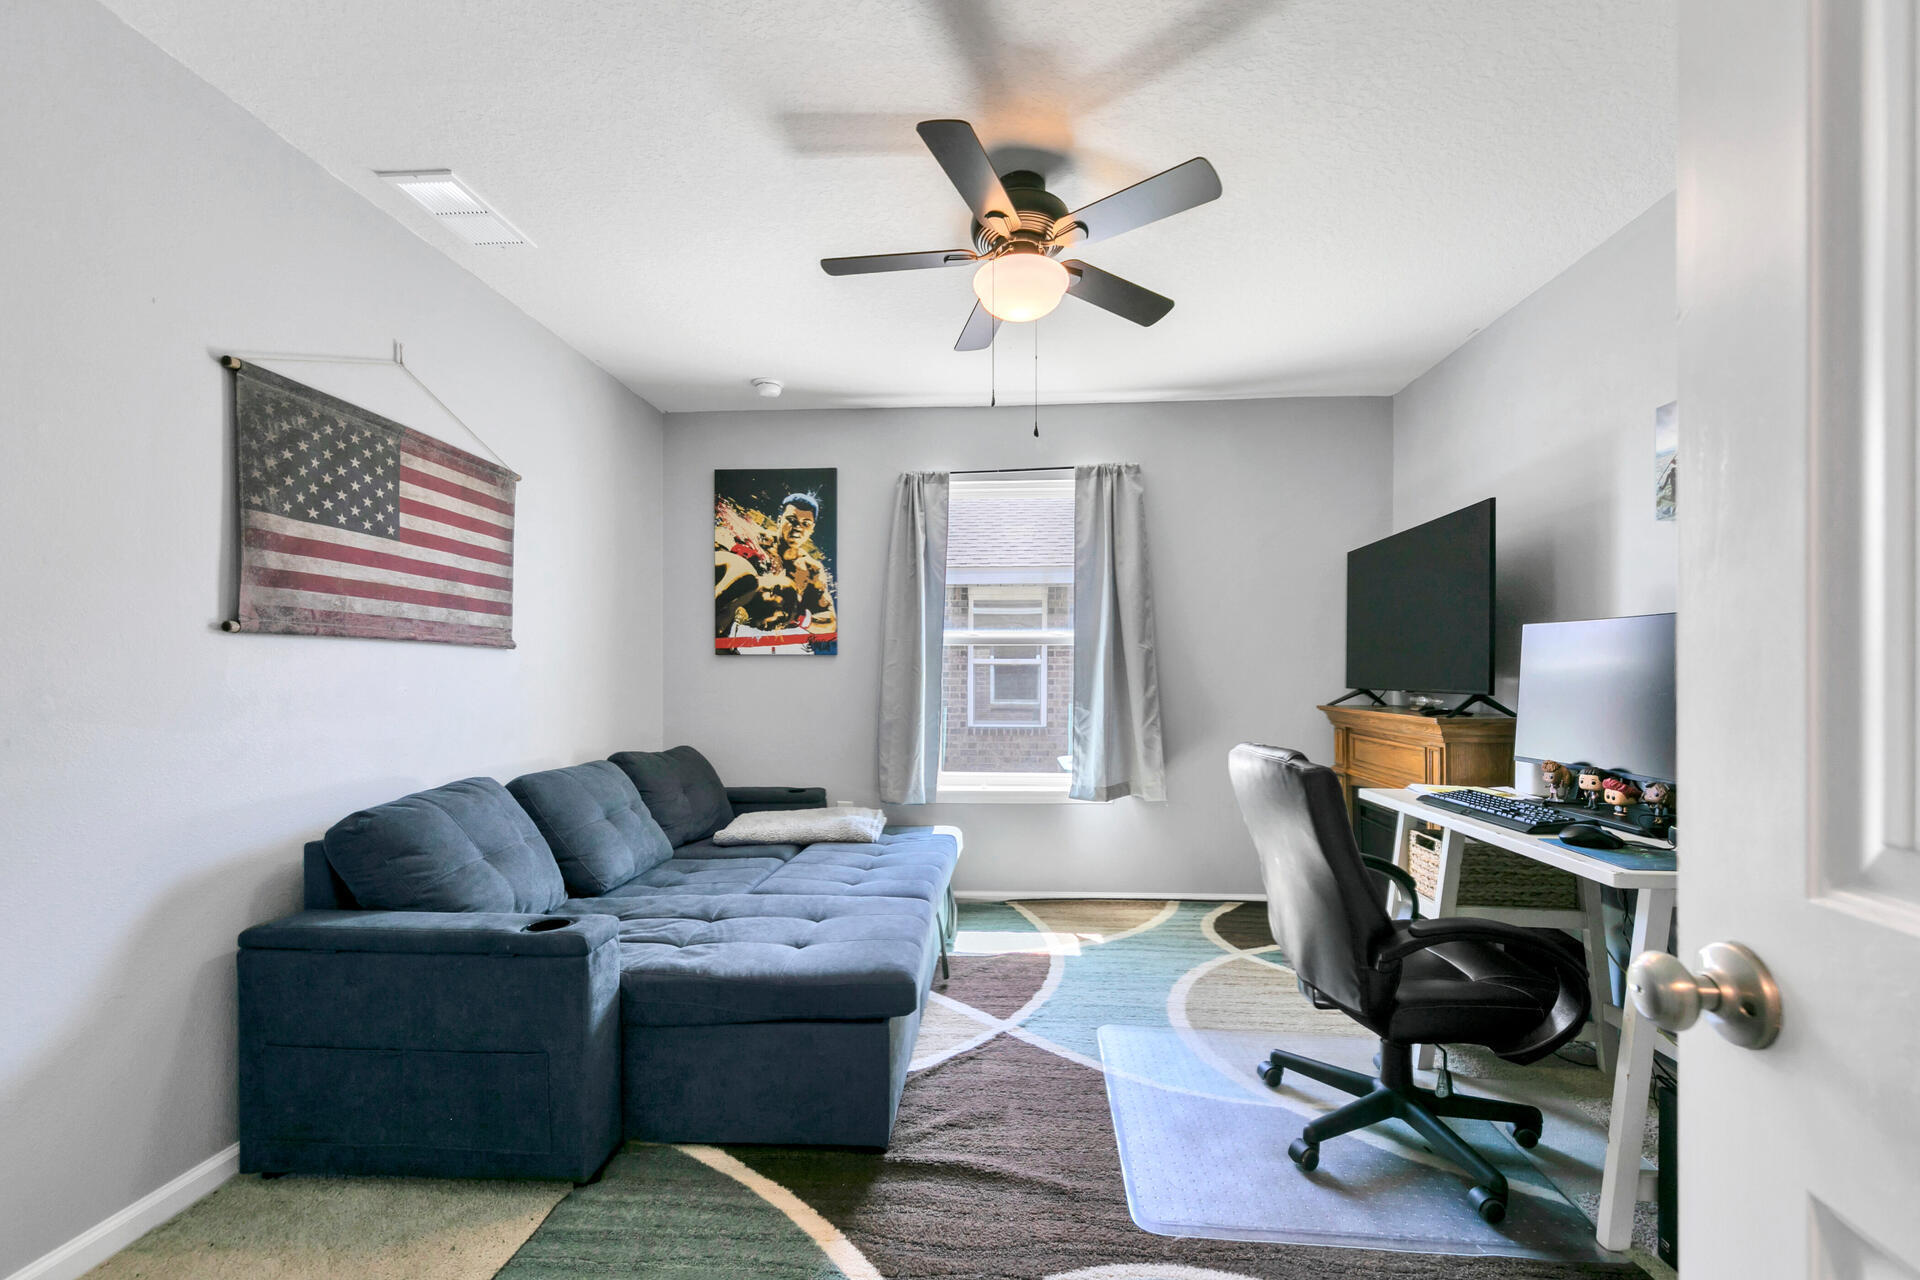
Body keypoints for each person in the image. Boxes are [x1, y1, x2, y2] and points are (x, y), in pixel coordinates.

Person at [713, 492, 836, 652]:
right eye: (792, 520)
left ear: (812, 529)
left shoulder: (812, 570)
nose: (798, 528)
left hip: (767, 640)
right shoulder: (752, 538)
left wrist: (797, 617)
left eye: (806, 523)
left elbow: (830, 623)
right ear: (780, 519)